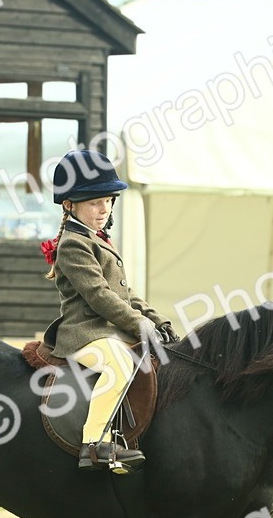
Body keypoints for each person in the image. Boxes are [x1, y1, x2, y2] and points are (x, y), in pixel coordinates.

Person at [42, 149, 178, 472]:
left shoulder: (98, 239)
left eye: (108, 200)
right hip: (83, 334)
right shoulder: (73, 244)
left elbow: (125, 293)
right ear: (69, 204)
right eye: (95, 203)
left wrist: (157, 319)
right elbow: (99, 296)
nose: (104, 209)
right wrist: (137, 323)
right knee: (119, 364)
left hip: (109, 330)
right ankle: (93, 445)